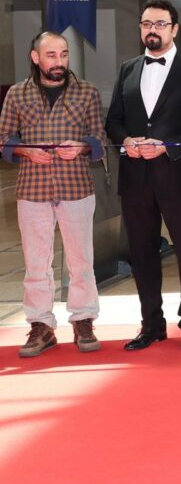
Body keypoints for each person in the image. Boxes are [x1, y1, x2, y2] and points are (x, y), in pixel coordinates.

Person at [106, 0, 181, 350]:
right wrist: (126, 141)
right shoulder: (127, 69)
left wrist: (167, 146)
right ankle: (151, 324)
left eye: (160, 24)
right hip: (136, 177)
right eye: (146, 24)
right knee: (142, 253)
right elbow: (114, 120)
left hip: (179, 176)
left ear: (174, 29)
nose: (152, 30)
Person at [0, 32, 108, 357]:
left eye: (63, 54)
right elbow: (4, 139)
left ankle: (83, 320)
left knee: (81, 261)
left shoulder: (87, 91)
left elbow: (100, 139)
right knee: (36, 264)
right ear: (35, 58)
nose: (59, 61)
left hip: (77, 189)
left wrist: (82, 146)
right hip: (32, 191)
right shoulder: (17, 94)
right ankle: (41, 325)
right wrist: (25, 151)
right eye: (51, 55)